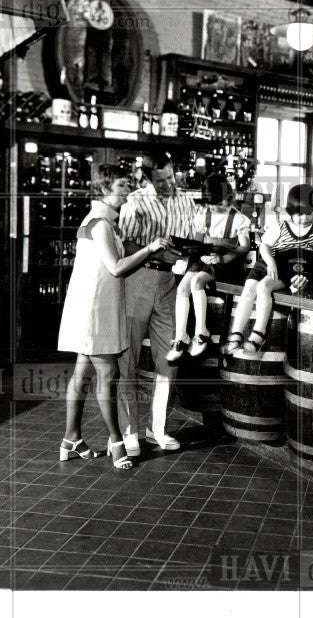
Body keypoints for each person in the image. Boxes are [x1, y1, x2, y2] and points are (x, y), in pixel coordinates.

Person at [57, 164, 157, 470]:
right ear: (103, 189)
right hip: (94, 310)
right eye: (121, 185)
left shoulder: (102, 222)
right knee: (109, 375)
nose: (126, 190)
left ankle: (71, 439)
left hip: (92, 307)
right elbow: (116, 267)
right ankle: (116, 443)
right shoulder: (100, 224)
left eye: (127, 184)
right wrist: (151, 248)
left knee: (82, 373)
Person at [118, 152, 198, 453]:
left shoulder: (186, 201)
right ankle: (129, 432)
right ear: (148, 177)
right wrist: (155, 251)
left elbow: (193, 236)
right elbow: (125, 244)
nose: (168, 184)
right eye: (161, 180)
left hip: (170, 283)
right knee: (128, 358)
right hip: (137, 279)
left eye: (171, 177)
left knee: (169, 357)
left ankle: (157, 429)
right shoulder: (135, 202)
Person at [226, 183, 313, 354]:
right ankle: (236, 332)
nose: (304, 218)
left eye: (309, 213)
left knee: (263, 287)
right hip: (268, 262)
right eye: (299, 214)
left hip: (288, 268)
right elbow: (264, 246)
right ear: (290, 211)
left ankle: (258, 334)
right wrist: (270, 261)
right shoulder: (281, 225)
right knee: (249, 288)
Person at [169, 173, 252, 363]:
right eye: (212, 204)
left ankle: (201, 331)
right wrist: (200, 253)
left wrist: (223, 258)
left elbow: (244, 247)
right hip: (205, 258)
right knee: (182, 288)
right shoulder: (203, 216)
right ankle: (181, 336)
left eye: (221, 203)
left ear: (229, 198)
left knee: (197, 281)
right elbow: (197, 244)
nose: (217, 208)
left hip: (227, 262)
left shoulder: (238, 219)